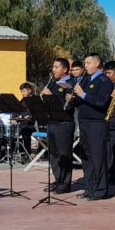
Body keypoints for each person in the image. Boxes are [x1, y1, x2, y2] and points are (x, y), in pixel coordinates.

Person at [70, 53, 114, 200]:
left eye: (88, 63)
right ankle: (89, 188)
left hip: (97, 123)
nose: (86, 66)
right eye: (85, 63)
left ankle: (101, 190)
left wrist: (82, 95)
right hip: (84, 122)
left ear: (97, 64)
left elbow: (101, 102)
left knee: (98, 157)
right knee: (86, 157)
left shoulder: (104, 81)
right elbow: (81, 101)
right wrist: (73, 98)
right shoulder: (85, 80)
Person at [41, 58, 75, 194]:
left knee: (64, 154)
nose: (53, 69)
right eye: (53, 67)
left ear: (64, 69)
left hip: (64, 123)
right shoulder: (53, 83)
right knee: (53, 154)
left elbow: (68, 104)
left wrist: (52, 95)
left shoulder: (70, 83)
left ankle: (65, 183)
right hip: (52, 121)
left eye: (56, 67)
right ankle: (58, 179)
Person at [18, 82, 36, 155]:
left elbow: (37, 112)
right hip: (23, 122)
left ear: (29, 90)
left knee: (25, 130)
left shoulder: (35, 100)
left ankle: (27, 153)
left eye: (24, 91)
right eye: (21, 91)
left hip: (32, 123)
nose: (23, 93)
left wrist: (30, 116)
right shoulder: (23, 100)